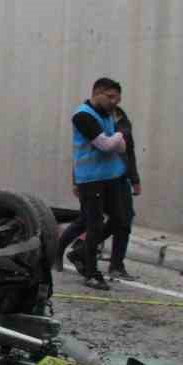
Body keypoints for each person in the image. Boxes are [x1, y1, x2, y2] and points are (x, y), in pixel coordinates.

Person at [62, 78, 135, 286]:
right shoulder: (83, 116)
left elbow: (120, 148)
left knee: (121, 219)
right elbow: (105, 144)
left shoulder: (108, 115)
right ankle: (91, 273)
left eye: (117, 99)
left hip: (110, 177)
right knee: (93, 224)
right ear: (97, 93)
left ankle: (81, 252)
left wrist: (117, 141)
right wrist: (121, 133)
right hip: (90, 179)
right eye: (110, 97)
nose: (114, 102)